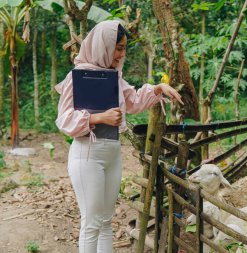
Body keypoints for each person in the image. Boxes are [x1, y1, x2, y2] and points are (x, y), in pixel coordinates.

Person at [55, 20, 183, 253]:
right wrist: (98, 118)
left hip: (113, 154)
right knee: (91, 223)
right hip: (87, 155)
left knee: (105, 221)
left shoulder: (114, 77)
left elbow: (133, 101)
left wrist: (158, 89)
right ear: (103, 45)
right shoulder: (77, 77)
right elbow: (63, 119)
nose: (121, 54)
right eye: (118, 48)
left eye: (124, 48)